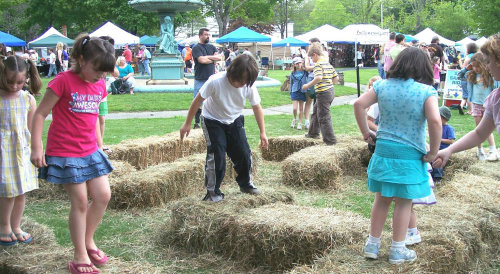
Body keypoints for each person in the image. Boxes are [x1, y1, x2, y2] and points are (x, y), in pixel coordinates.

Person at [30, 34, 115, 274]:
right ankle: (79, 255)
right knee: (79, 201)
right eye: (97, 70)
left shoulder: (99, 84)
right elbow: (39, 114)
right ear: (80, 59)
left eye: (105, 72)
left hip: (90, 151)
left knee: (103, 196)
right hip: (65, 152)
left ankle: (88, 241)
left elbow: (95, 118)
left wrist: (100, 145)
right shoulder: (62, 81)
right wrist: (37, 147)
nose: (101, 76)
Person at [353, 47, 441, 264]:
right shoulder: (426, 91)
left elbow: (358, 104)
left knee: (381, 199)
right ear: (424, 68)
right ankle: (398, 250)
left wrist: (366, 132)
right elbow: (435, 121)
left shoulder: (381, 85)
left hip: (383, 151)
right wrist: (433, 152)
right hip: (410, 155)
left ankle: (372, 245)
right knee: (404, 202)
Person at [179, 54, 268, 202]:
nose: (241, 84)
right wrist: (187, 123)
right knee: (217, 155)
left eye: (245, 81)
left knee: (244, 153)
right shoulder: (215, 81)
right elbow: (197, 101)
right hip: (212, 120)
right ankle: (213, 193)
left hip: (235, 119)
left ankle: (246, 184)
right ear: (232, 72)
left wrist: (263, 132)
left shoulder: (249, 85)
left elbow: (257, 107)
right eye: (240, 80)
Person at [434, 33, 500, 173]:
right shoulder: (496, 98)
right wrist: (449, 150)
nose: (486, 68)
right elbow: (479, 134)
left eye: (488, 62)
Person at [0, 55, 41, 246]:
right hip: (3, 152)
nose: (15, 86)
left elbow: (31, 128)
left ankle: (16, 226)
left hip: (21, 151)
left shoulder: (28, 99)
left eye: (20, 82)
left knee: (20, 191)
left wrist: (36, 150)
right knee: (7, 191)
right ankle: (4, 227)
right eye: (10, 81)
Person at [302, 42, 338, 145]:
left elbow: (318, 78)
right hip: (330, 91)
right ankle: (313, 133)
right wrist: (329, 84)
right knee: (316, 111)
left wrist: (307, 85)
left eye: (311, 58)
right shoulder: (327, 64)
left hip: (323, 93)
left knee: (324, 117)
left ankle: (330, 141)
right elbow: (336, 78)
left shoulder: (317, 65)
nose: (312, 61)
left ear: (315, 55)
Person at [466, 52, 498, 161]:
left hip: (487, 105)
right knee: (478, 128)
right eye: (473, 66)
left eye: (477, 66)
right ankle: (480, 150)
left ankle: (493, 149)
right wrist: (466, 68)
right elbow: (460, 75)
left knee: (487, 129)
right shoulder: (472, 75)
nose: (475, 68)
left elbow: (494, 87)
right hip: (476, 104)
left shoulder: (489, 76)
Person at [191, 28, 221, 129]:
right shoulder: (196, 48)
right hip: (200, 78)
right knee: (198, 101)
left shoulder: (212, 47)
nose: (208, 36)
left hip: (211, 78)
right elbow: (202, 60)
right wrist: (211, 59)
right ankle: (196, 123)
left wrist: (208, 58)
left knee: (212, 101)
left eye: (209, 34)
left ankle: (210, 122)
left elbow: (219, 58)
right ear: (200, 36)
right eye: (205, 34)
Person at [430, 106, 455, 182]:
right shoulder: (436, 127)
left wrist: (439, 139)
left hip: (443, 149)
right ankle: (430, 174)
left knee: (438, 161)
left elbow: (451, 141)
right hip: (435, 147)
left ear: (444, 118)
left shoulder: (449, 128)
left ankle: (438, 177)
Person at [459, 43, 479, 114]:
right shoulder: (477, 56)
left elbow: (463, 68)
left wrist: (460, 62)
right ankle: (467, 108)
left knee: (466, 94)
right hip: (475, 77)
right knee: (470, 93)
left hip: (466, 76)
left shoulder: (468, 57)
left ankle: (467, 108)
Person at [289, 57, 307, 130]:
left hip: (302, 91)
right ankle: (295, 118)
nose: (299, 64)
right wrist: (290, 92)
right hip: (294, 91)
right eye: (297, 63)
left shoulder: (304, 72)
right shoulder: (292, 73)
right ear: (294, 65)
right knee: (295, 108)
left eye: (300, 63)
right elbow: (291, 83)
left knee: (301, 108)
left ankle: (300, 123)